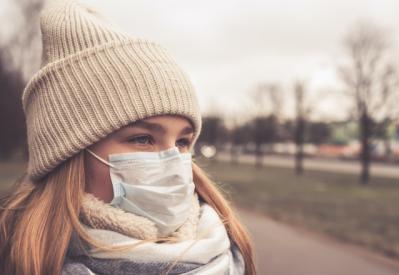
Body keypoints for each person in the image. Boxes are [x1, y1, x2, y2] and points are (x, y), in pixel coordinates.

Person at [0, 0, 256, 274]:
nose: (174, 163)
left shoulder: (227, 252)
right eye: (143, 139)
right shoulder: (19, 260)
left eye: (182, 142)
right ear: (67, 154)